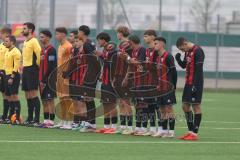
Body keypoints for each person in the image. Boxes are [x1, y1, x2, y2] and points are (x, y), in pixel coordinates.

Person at [175, 37, 205, 141]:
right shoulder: (187, 52)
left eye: (182, 49)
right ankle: (190, 131)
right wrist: (178, 59)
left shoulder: (198, 51)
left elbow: (198, 70)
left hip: (196, 83)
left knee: (196, 106)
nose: (182, 51)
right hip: (188, 83)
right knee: (185, 106)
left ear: (185, 43)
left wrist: (195, 86)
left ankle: (194, 133)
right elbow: (184, 65)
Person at [152, 37, 177, 138]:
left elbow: (174, 72)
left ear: (162, 44)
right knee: (161, 109)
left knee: (169, 108)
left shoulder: (169, 56)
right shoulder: (157, 57)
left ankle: (171, 131)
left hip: (167, 88)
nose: (154, 46)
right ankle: (163, 130)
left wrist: (173, 86)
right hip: (159, 88)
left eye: (156, 43)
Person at [122, 34, 147, 136]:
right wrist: (126, 78)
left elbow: (138, 63)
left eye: (128, 42)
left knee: (142, 105)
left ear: (132, 42)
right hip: (135, 81)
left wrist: (127, 58)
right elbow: (131, 66)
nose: (128, 44)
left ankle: (144, 128)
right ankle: (137, 127)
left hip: (142, 81)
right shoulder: (133, 51)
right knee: (137, 105)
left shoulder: (142, 50)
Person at [95, 32, 118, 134]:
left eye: (99, 40)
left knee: (111, 104)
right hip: (104, 80)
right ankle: (106, 126)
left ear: (104, 40)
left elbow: (111, 61)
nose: (98, 42)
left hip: (110, 80)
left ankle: (113, 127)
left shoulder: (111, 47)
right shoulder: (104, 50)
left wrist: (100, 55)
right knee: (105, 104)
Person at [113, 26, 134, 134]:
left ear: (121, 33)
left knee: (126, 102)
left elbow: (130, 61)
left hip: (126, 76)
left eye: (118, 33)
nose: (117, 35)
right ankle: (122, 127)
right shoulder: (120, 45)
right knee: (120, 102)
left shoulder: (128, 45)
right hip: (118, 76)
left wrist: (127, 76)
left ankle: (130, 128)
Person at [22, 22, 41, 126]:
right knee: (27, 95)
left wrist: (36, 67)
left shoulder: (34, 41)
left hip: (32, 70)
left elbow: (39, 55)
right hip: (25, 69)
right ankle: (29, 118)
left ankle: (36, 119)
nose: (22, 30)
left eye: (24, 28)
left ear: (30, 30)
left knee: (33, 94)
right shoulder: (26, 41)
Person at [54, 27, 73, 129]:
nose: (56, 36)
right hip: (59, 76)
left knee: (67, 98)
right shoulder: (60, 46)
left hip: (66, 76)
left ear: (63, 34)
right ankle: (63, 120)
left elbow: (71, 61)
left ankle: (69, 121)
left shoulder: (68, 46)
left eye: (57, 34)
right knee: (61, 99)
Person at [38, 30, 57, 128]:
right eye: (40, 37)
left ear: (48, 38)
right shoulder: (42, 50)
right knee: (44, 100)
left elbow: (51, 66)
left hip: (49, 80)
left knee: (50, 100)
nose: (41, 39)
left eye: (43, 37)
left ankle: (51, 121)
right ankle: (45, 121)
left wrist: (44, 80)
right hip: (41, 80)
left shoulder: (51, 50)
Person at [4, 35, 22, 125]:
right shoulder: (8, 51)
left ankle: (17, 118)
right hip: (7, 75)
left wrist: (12, 77)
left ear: (12, 42)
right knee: (9, 96)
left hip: (13, 76)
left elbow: (16, 66)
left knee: (14, 96)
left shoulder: (16, 52)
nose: (5, 43)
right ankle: (11, 116)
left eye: (7, 41)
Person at [0, 27, 12, 123]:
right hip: (1, 73)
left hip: (6, 73)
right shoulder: (1, 45)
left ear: (6, 34)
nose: (0, 35)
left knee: (8, 95)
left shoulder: (10, 46)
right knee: (3, 94)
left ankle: (8, 115)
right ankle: (4, 116)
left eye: (1, 33)